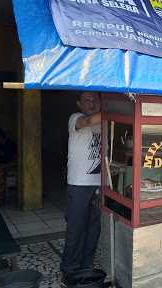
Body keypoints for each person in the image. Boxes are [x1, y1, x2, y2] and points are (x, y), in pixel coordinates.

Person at [61, 92, 102, 283]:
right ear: (79, 104)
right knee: (76, 228)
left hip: (100, 183)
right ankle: (69, 269)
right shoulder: (75, 118)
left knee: (93, 228)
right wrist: (117, 108)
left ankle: (86, 266)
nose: (92, 103)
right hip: (79, 183)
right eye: (88, 100)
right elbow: (87, 122)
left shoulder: (103, 121)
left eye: (95, 100)